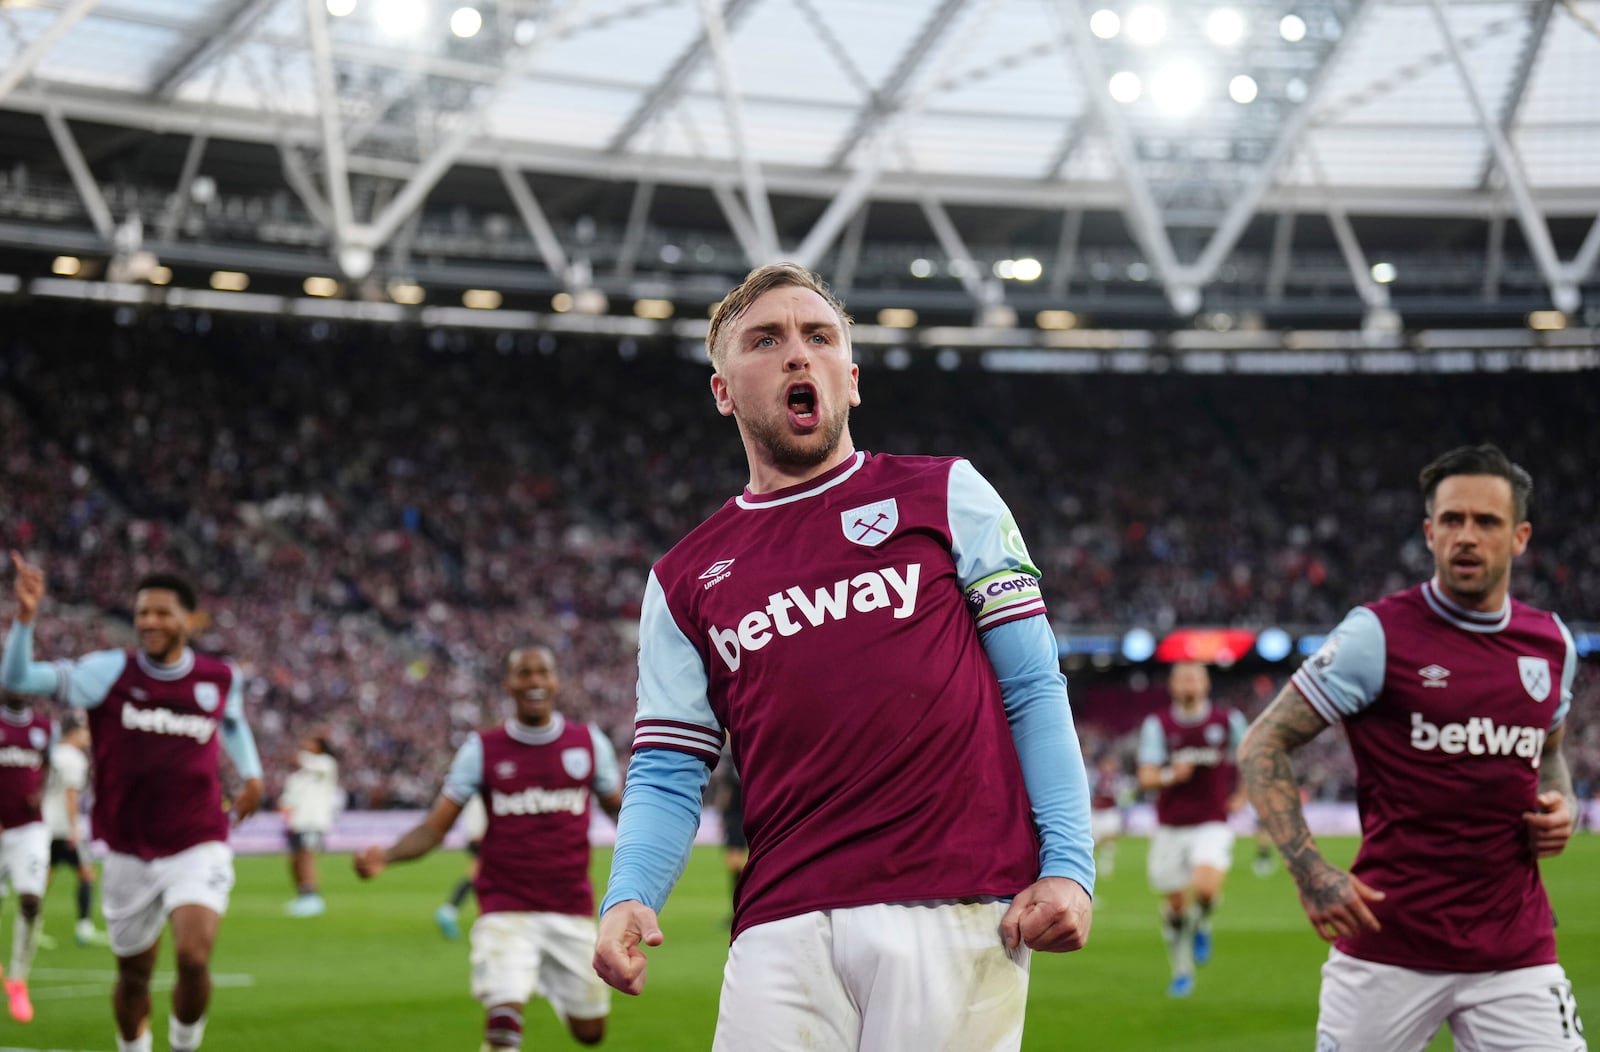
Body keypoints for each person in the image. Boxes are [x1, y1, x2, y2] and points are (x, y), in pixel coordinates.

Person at [592, 262, 1095, 1051]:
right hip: (778, 922)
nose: (798, 354)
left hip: (955, 906)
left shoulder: (949, 495)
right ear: (723, 390)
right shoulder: (683, 578)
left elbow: (1032, 688)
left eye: (817, 337)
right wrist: (629, 893)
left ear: (850, 379)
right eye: (766, 340)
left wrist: (1069, 865)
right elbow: (666, 766)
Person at [1239, 444, 1585, 1052]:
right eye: (1452, 520)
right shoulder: (1377, 635)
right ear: (1429, 532)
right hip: (1386, 946)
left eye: (1486, 522)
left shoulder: (1551, 643)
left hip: (1515, 951)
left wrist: (1561, 803)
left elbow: (1549, 751)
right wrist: (1311, 869)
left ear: (1521, 536)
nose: (1467, 536)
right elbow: (1264, 741)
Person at [3, 554, 264, 1052]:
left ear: (188, 620)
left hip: (197, 839)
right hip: (127, 848)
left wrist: (251, 773)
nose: (149, 621)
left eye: (162, 613)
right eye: (143, 612)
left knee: (192, 956)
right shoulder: (107, 672)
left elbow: (231, 721)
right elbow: (18, 680)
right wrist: (25, 619)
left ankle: (184, 1046)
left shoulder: (219, 677)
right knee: (134, 977)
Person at [355, 645, 623, 1050]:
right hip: (504, 909)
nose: (534, 681)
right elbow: (435, 827)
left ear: (555, 681)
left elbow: (620, 813)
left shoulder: (589, 744)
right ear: (508, 683)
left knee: (591, 1034)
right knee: (503, 1017)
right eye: (524, 673)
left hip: (570, 907)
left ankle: (548, 980)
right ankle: (515, 986)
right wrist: (387, 855)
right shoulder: (482, 749)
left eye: (542, 672)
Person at [1136, 661, 1249, 998]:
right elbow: (1146, 776)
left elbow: (1249, 758)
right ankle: (1181, 969)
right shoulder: (1159, 725)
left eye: (1194, 678)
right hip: (1171, 826)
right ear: (1173, 686)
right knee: (1174, 907)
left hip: (1212, 821)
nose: (1188, 684)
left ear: (1205, 685)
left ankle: (1202, 922)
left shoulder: (1228, 721)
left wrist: (1243, 795)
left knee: (1205, 886)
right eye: (1183, 679)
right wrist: (1172, 774)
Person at [0, 689, 56, 1022]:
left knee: (32, 901)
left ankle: (18, 980)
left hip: (29, 829)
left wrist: (39, 792)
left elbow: (47, 767)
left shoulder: (44, 728)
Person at [42, 719, 108, 947]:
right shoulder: (73, 758)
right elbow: (71, 794)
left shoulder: (52, 753)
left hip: (45, 823)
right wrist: (74, 826)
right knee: (87, 874)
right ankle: (84, 927)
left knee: (44, 878)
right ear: (75, 732)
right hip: (63, 826)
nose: (88, 737)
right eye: (85, 731)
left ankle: (34, 925)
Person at [279, 735, 341, 918]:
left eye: (310, 742)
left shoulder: (326, 764)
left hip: (313, 820)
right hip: (295, 823)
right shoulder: (297, 777)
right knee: (294, 860)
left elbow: (303, 760)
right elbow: (286, 801)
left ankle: (312, 898)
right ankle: (302, 896)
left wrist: (298, 756)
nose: (305, 744)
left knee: (307, 856)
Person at [434, 791, 487, 941]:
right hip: (482, 839)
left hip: (478, 838)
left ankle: (449, 912)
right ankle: (449, 912)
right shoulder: (481, 793)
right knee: (481, 879)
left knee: (478, 878)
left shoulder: (475, 792)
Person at [1089, 752, 1131, 879]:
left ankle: (1105, 865)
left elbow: (1124, 796)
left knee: (1110, 838)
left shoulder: (1119, 778)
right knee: (1092, 841)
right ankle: (1091, 864)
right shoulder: (1094, 776)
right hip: (1096, 811)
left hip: (1110, 811)